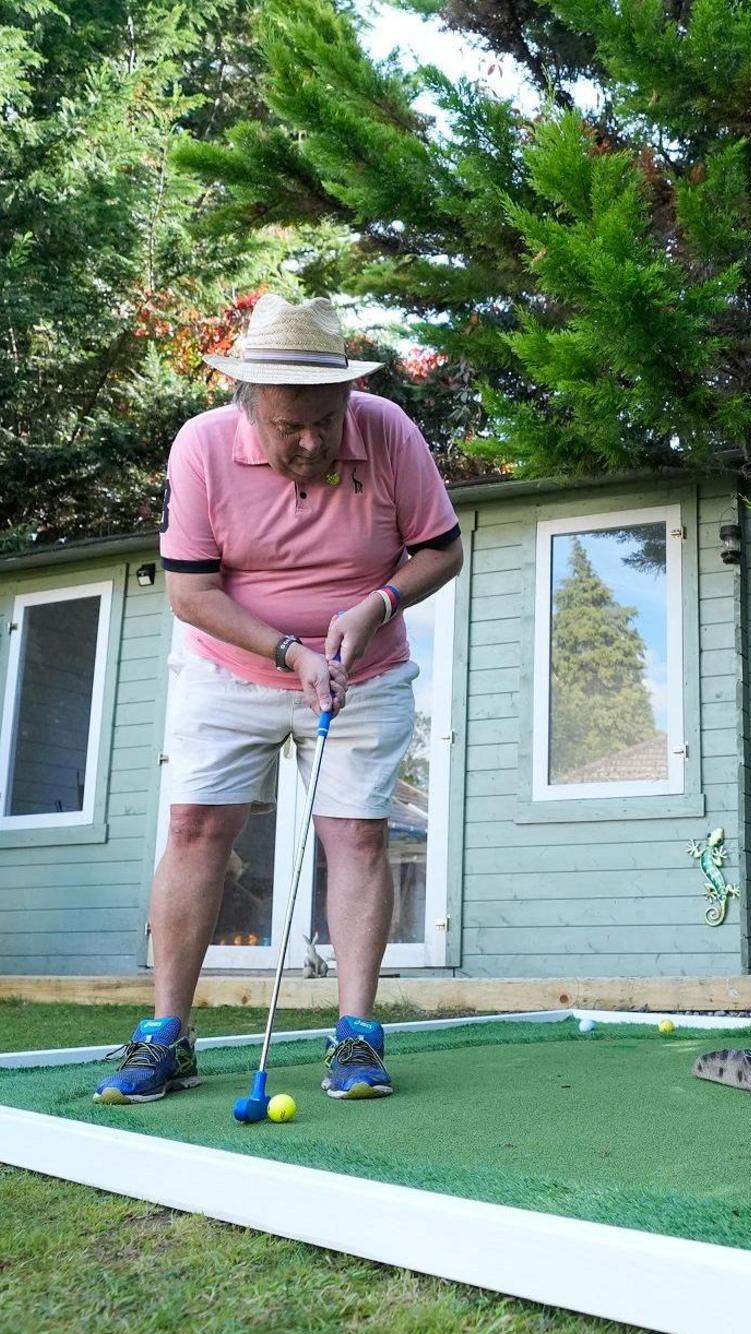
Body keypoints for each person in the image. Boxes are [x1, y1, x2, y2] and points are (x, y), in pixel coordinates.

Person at [95, 294, 462, 1105]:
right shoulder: (201, 447)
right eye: (289, 424)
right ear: (250, 402)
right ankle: (167, 1035)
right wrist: (288, 651)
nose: (310, 441)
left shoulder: (389, 431)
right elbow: (191, 593)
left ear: (346, 398)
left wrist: (377, 608)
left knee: (360, 835)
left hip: (363, 669)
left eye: (326, 421)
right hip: (232, 667)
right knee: (194, 825)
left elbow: (441, 550)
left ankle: (357, 1034)